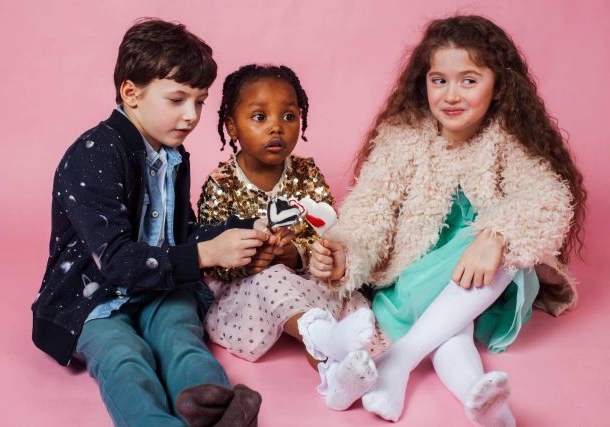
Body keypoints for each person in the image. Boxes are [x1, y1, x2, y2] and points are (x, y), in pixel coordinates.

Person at [310, 15, 586, 426]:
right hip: (420, 283)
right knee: (448, 330)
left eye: (469, 80)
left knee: (505, 244)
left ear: (498, 87)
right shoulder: (403, 137)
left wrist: (495, 236)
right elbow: (371, 210)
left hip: (489, 287)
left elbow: (544, 197)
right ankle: (484, 402)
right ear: (424, 83)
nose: (451, 95)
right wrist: (344, 253)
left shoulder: (506, 140)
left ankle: (397, 363)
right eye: (439, 80)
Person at [31, 18, 268, 427]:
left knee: (182, 337)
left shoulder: (172, 157)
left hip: (159, 286)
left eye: (200, 100)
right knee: (124, 357)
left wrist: (243, 231)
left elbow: (180, 234)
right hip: (95, 299)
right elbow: (117, 260)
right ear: (131, 93)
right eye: (177, 100)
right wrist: (207, 253)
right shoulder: (94, 154)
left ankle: (218, 412)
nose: (191, 115)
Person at [197, 64, 387, 411]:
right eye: (259, 116)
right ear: (231, 126)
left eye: (288, 115)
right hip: (247, 289)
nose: (276, 126)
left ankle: (335, 377)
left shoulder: (307, 173)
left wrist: (298, 255)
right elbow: (211, 258)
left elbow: (327, 231)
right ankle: (326, 343)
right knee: (271, 278)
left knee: (344, 294)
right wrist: (255, 258)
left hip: (301, 278)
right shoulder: (221, 184)